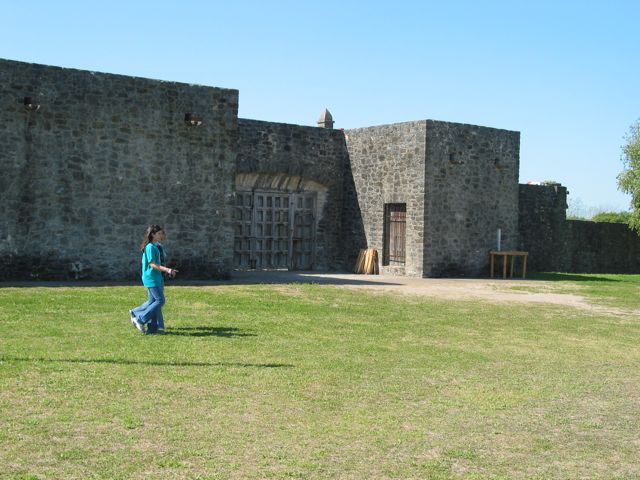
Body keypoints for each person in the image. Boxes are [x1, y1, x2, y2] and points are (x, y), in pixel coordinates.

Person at [129, 225, 177, 334]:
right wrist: (167, 270)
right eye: (159, 233)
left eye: (161, 233)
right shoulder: (150, 247)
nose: (161, 235)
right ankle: (140, 319)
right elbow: (152, 264)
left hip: (156, 277)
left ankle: (152, 328)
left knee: (153, 302)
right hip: (151, 278)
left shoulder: (155, 246)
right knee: (160, 300)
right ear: (153, 234)